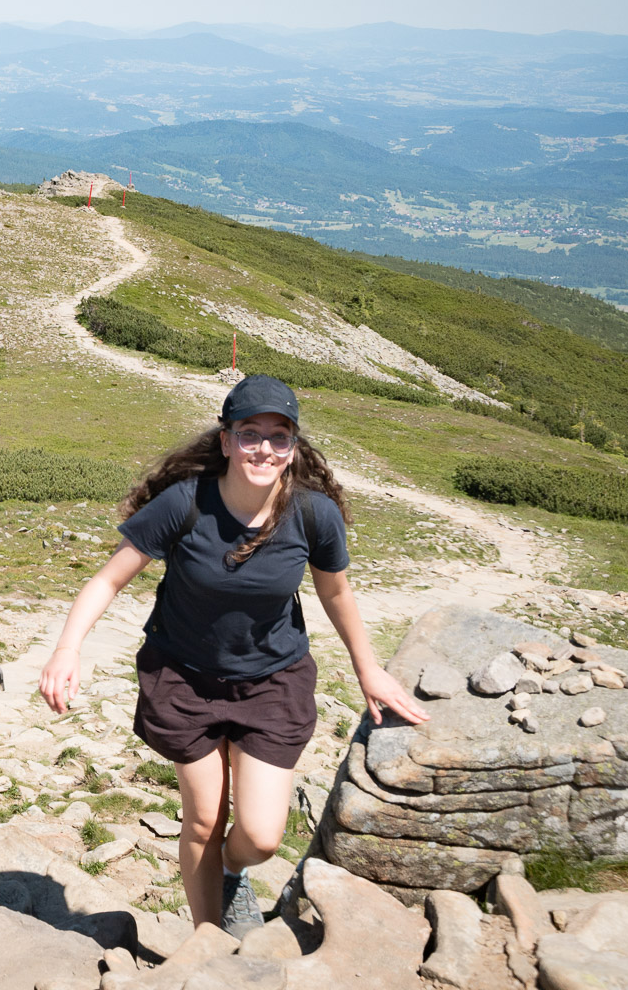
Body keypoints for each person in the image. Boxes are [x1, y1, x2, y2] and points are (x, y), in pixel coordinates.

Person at [36, 374, 427, 938]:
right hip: (183, 678)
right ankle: (209, 943)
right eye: (250, 434)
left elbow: (336, 592)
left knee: (263, 835)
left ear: (294, 447)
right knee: (202, 819)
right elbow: (107, 580)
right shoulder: (183, 504)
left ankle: (229, 869)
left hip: (272, 679)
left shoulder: (313, 515)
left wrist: (370, 670)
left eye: (279, 435)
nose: (264, 448)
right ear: (225, 440)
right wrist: (66, 650)